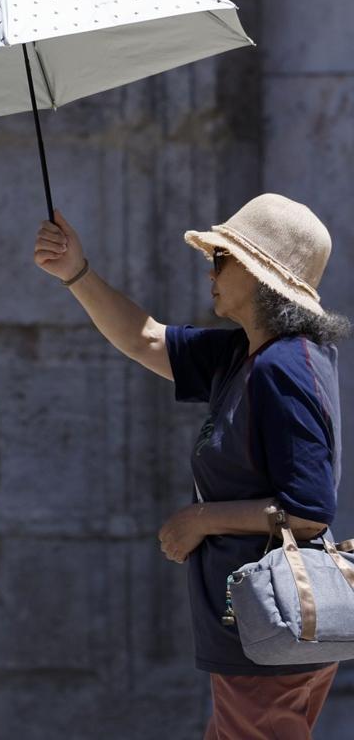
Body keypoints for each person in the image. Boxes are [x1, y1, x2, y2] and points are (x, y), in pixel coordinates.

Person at [34, 193, 348, 739]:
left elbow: (308, 510)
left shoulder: (285, 366)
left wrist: (200, 520)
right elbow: (146, 338)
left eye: (223, 258)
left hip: (269, 625)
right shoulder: (245, 354)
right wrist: (76, 273)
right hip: (259, 626)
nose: (212, 269)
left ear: (260, 274)